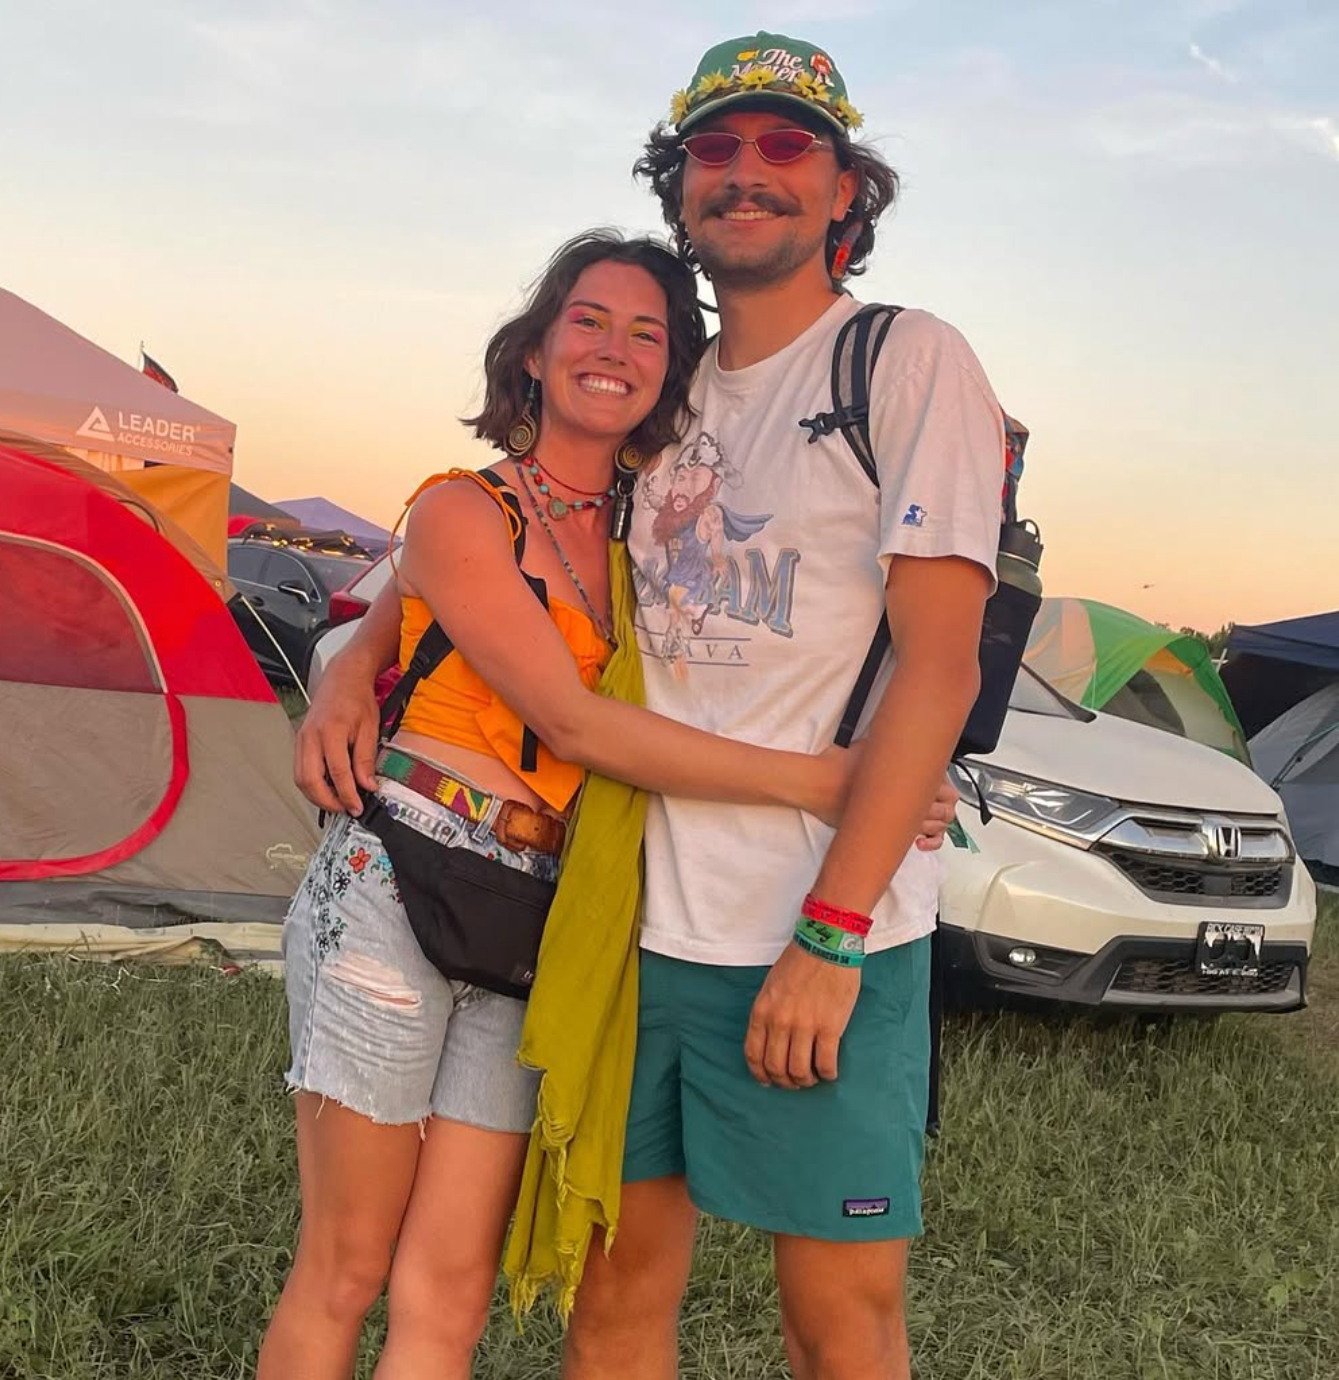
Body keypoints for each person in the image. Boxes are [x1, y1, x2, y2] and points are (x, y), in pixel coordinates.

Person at [297, 30, 996, 1380]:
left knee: (838, 1319)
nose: (749, 171)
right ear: (679, 186)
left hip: (823, 922)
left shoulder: (903, 363)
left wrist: (833, 935)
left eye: (787, 145)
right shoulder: (664, 399)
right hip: (630, 927)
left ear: (846, 188)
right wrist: (347, 659)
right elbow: (456, 544)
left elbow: (942, 664)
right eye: (715, 148)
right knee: (614, 1309)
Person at [258, 230, 882, 1380]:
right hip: (399, 880)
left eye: (648, 333)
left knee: (449, 1292)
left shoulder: (656, 538)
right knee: (344, 1266)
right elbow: (573, 723)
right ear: (536, 352)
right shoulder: (461, 508)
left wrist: (354, 665)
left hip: (545, 920)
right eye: (588, 320)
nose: (614, 349)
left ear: (670, 373)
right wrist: (826, 784)